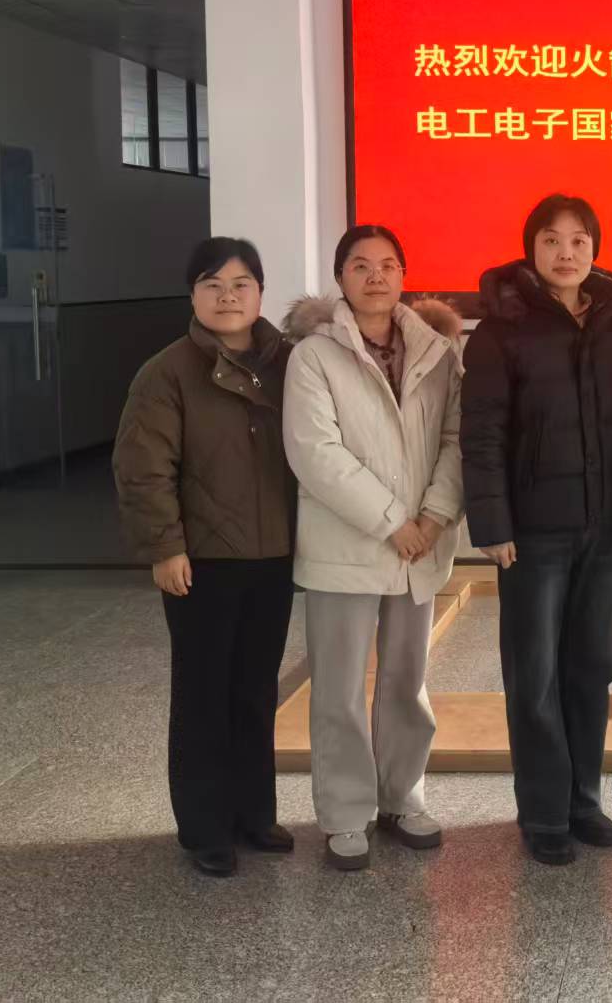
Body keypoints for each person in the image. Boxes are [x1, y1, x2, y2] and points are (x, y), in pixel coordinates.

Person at [460, 194, 612, 866]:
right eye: (551, 239)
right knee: (536, 673)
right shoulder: (501, 329)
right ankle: (544, 811)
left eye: (578, 240)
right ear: (531, 248)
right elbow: (482, 432)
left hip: (603, 524)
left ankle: (584, 801)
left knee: (591, 665)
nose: (566, 252)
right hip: (533, 530)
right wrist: (492, 521)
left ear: (594, 248)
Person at [282, 224, 465, 872]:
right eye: (360, 265)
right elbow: (315, 452)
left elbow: (457, 438)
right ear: (341, 278)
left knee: (406, 681)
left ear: (404, 275)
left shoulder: (438, 351)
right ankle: (344, 812)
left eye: (388, 264)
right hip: (348, 545)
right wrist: (393, 522)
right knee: (337, 687)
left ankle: (402, 797)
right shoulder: (314, 355)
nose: (376, 276)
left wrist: (435, 515)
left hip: (420, 545)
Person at [114, 237, 298, 877]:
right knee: (203, 694)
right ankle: (205, 827)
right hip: (203, 560)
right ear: (192, 294)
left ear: (260, 292)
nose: (228, 297)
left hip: (274, 554)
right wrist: (165, 547)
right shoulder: (166, 373)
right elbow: (143, 469)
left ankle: (254, 814)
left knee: (256, 690)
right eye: (212, 284)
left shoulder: (288, 363)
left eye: (241, 284)